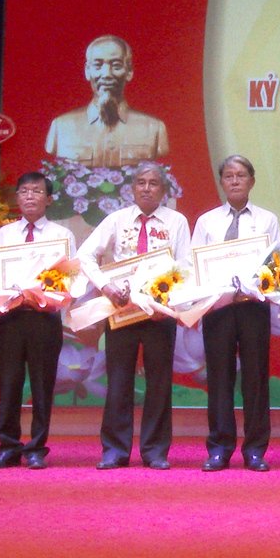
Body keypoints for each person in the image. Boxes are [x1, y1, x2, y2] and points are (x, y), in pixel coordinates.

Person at [77, 161, 191, 470]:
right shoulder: (116, 220)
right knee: (118, 380)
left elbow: (186, 266)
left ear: (164, 190)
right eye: (141, 182)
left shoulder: (177, 222)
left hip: (159, 314)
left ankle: (155, 451)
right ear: (132, 188)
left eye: (154, 183)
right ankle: (115, 450)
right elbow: (85, 255)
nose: (147, 188)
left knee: (159, 382)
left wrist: (169, 304)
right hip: (121, 310)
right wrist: (105, 285)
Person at [190, 154, 280, 472]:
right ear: (222, 182)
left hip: (253, 306)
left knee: (255, 379)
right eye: (228, 176)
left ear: (251, 181)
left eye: (241, 175)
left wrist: (252, 287)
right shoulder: (207, 222)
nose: (235, 181)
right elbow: (193, 264)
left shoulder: (267, 220)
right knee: (219, 378)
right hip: (218, 308)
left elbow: (275, 263)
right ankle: (219, 449)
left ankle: (255, 450)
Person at [0, 172, 76, 470]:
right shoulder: (4, 235)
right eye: (24, 191)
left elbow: (71, 279)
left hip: (44, 320)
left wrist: (48, 298)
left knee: (42, 386)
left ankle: (36, 448)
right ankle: (7, 447)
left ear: (49, 199)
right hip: (11, 319)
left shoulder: (62, 235)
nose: (29, 197)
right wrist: (1, 298)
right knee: (9, 384)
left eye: (36, 191)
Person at [44, 34, 169, 169]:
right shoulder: (61, 127)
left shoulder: (154, 128)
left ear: (129, 72)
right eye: (98, 66)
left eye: (116, 66)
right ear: (87, 71)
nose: (107, 74)